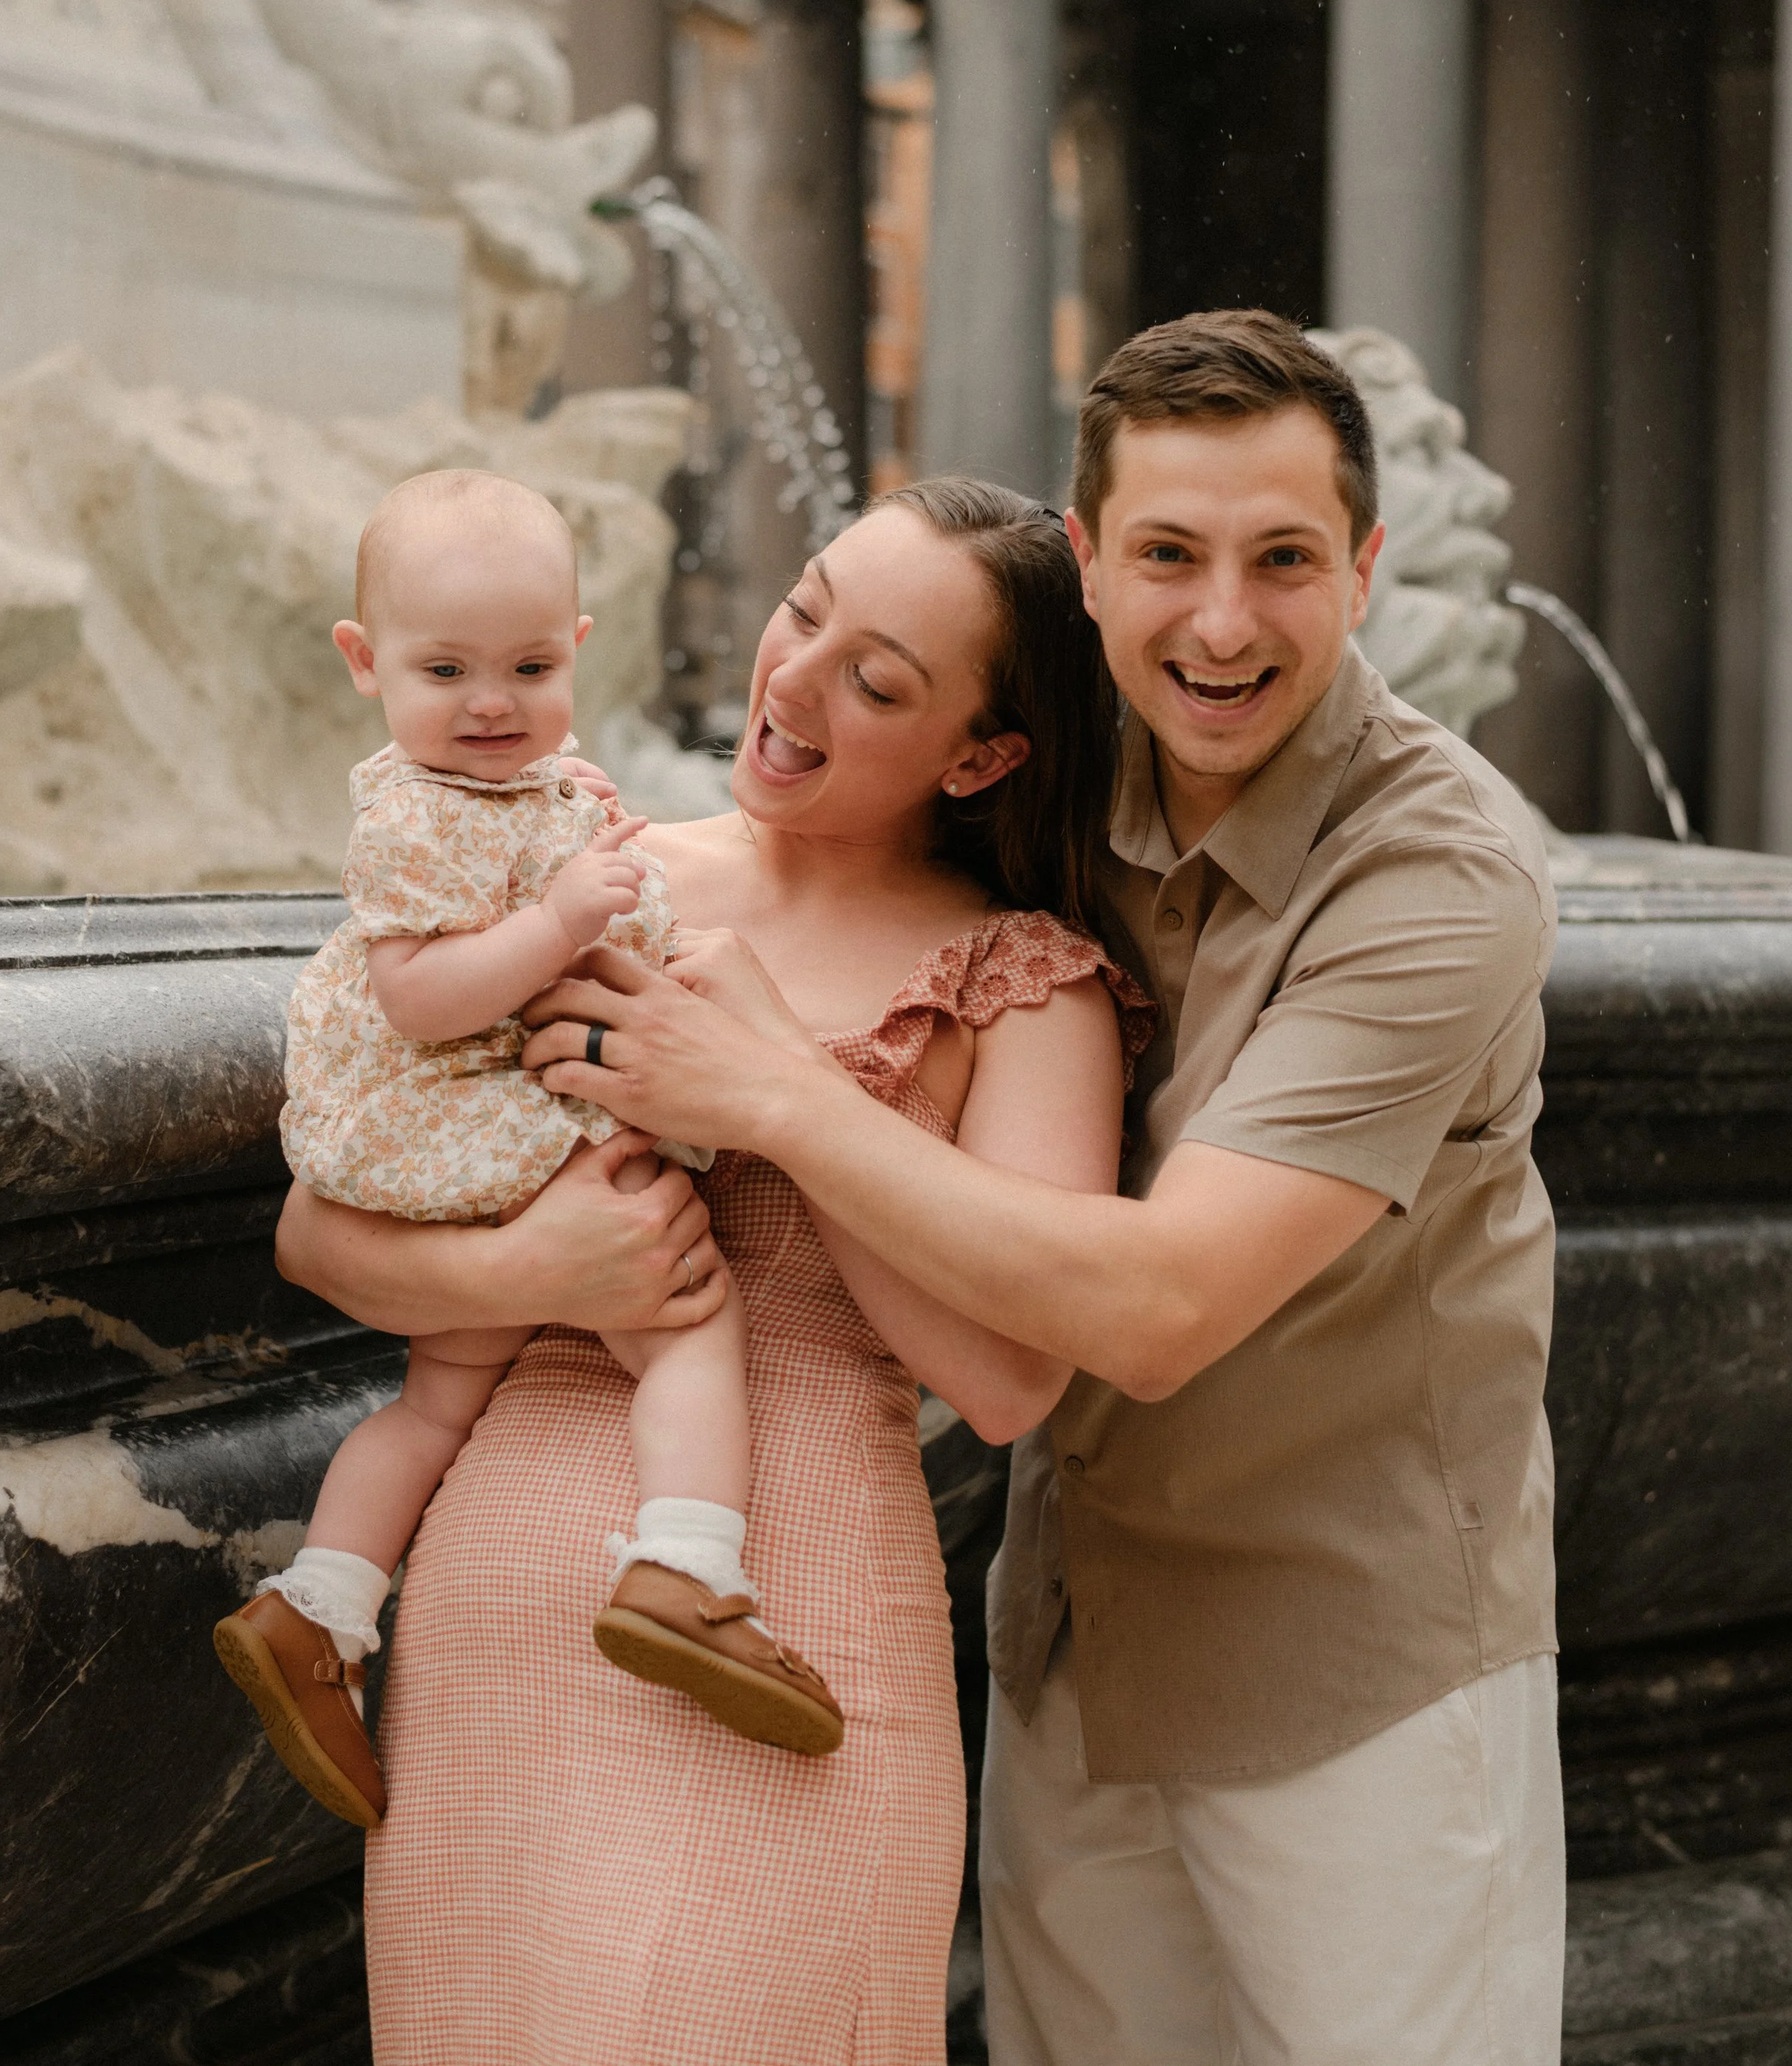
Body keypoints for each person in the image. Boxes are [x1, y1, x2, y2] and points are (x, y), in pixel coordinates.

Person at [526, 312, 1566, 2066]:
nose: (1218, 623)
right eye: (1165, 555)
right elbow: (833, 828)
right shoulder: (1052, 773)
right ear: (1086, 565)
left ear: (1365, 568)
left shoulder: (1437, 878)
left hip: (1352, 1677)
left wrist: (773, 1090)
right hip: (1074, 1640)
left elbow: (1157, 1311)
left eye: (1281, 560)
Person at [276, 477, 1152, 2066]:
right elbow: (316, 1229)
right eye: (803, 610)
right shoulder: (580, 870)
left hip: (789, 1607)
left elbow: (1010, 1379)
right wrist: (537, 1267)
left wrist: (780, 1095)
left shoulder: (1026, 986)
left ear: (980, 756)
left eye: (874, 679)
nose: (793, 679)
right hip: (495, 1616)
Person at [218, 468, 842, 1839]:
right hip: (476, 1117)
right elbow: (420, 997)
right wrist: (561, 918)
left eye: (531, 667)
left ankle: (321, 1604)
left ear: (579, 648)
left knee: (436, 1403)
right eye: (446, 671)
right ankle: (690, 1565)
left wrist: (575, 839)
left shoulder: (519, 786)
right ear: (365, 662)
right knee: (685, 1318)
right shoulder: (408, 817)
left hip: (480, 1131)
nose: (493, 704)